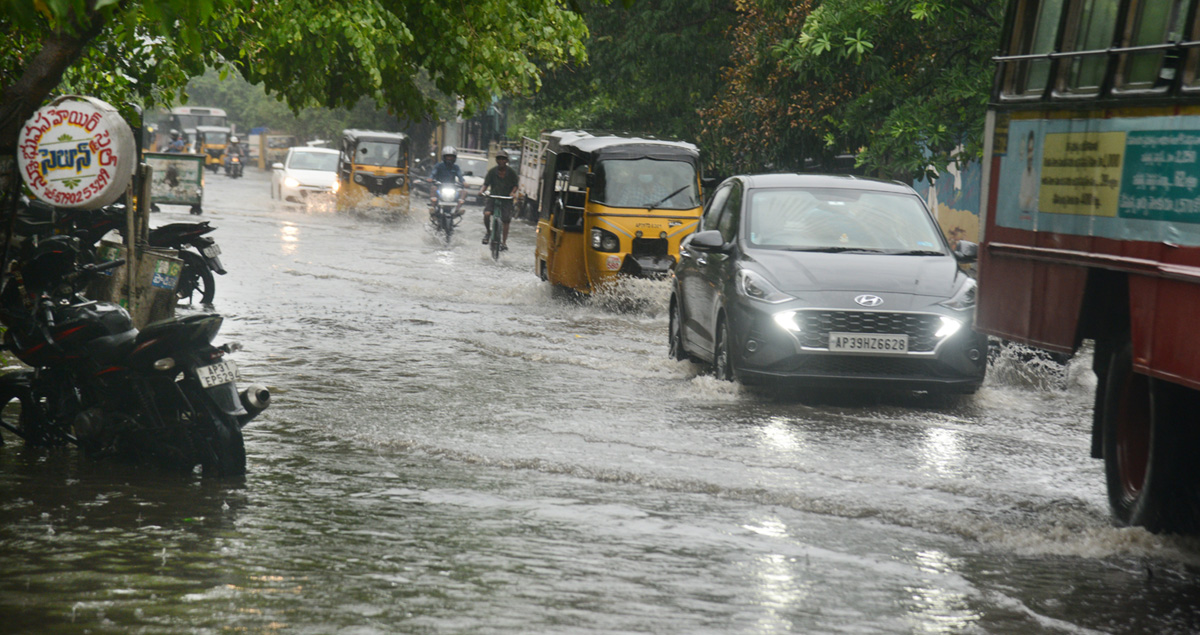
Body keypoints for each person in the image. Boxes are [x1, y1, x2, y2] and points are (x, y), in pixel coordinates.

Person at [480, 150, 519, 249]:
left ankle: (504, 242)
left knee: (506, 220)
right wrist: (481, 191)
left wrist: (513, 193)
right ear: (496, 160)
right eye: (499, 159)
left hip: (506, 199)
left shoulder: (511, 172)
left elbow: (515, 185)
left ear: (506, 160)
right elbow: (486, 184)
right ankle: (488, 232)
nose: (501, 161)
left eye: (503, 159)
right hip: (493, 197)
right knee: (487, 214)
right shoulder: (492, 172)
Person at [429, 146, 465, 220]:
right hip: (439, 188)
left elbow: (460, 176)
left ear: (454, 158)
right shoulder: (439, 166)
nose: (449, 159)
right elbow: (433, 173)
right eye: (447, 157)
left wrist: (464, 182)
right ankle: (432, 208)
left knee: (464, 192)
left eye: (451, 157)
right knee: (433, 188)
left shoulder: (456, 167)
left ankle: (457, 210)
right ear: (444, 157)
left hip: (452, 189)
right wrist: (430, 178)